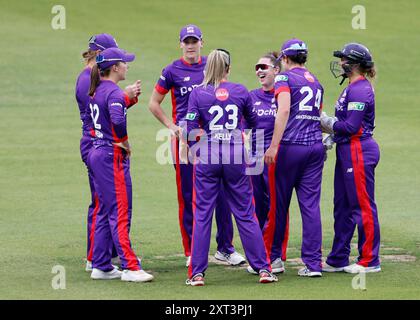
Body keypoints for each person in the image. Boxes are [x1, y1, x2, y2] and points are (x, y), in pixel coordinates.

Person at [148, 25, 245, 267]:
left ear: (202, 42)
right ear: (181, 44)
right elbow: (153, 102)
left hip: (214, 138)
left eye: (194, 41)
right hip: (186, 140)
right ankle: (191, 250)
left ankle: (225, 248)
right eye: (186, 41)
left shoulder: (211, 67)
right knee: (188, 194)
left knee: (223, 194)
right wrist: (172, 126)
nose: (190, 45)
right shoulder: (171, 70)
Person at [183, 49, 277, 286]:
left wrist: (197, 148)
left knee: (203, 214)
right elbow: (255, 124)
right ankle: (263, 269)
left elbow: (189, 129)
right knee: (245, 212)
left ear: (208, 68)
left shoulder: (198, 93)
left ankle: (197, 274)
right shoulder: (240, 91)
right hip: (236, 154)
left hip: (209, 155)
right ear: (228, 69)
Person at [75, 33, 141, 272]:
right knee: (106, 204)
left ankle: (103, 258)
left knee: (106, 203)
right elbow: (104, 114)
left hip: (98, 143)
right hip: (99, 144)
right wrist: (123, 98)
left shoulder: (95, 80)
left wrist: (126, 98)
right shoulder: (89, 81)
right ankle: (97, 258)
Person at [87, 47, 153, 282]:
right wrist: (123, 141)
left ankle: (101, 265)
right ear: (115, 68)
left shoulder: (97, 90)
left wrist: (129, 98)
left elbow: (108, 113)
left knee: (106, 209)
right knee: (120, 211)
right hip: (110, 156)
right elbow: (116, 118)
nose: (127, 65)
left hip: (97, 151)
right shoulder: (113, 92)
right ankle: (130, 267)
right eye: (124, 63)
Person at [263, 38, 325, 277]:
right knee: (310, 207)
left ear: (286, 59)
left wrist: (273, 146)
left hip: (290, 148)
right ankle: (312, 264)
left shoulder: (284, 78)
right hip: (315, 147)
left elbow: (285, 110)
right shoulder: (316, 82)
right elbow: (317, 116)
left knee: (278, 205)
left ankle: (274, 258)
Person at [321, 43, 381, 274]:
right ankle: (338, 258)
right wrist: (334, 135)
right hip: (348, 150)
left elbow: (351, 126)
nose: (340, 63)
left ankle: (369, 260)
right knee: (343, 205)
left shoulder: (360, 90)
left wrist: (327, 124)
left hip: (359, 151)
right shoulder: (351, 86)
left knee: (362, 206)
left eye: (343, 60)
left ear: (353, 64)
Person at [248, 52, 280, 230]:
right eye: (257, 68)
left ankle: (274, 248)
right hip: (254, 160)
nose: (259, 70)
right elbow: (243, 128)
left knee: (275, 205)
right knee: (257, 205)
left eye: (263, 67)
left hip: (276, 159)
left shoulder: (284, 96)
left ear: (276, 70)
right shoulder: (251, 96)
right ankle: (259, 246)